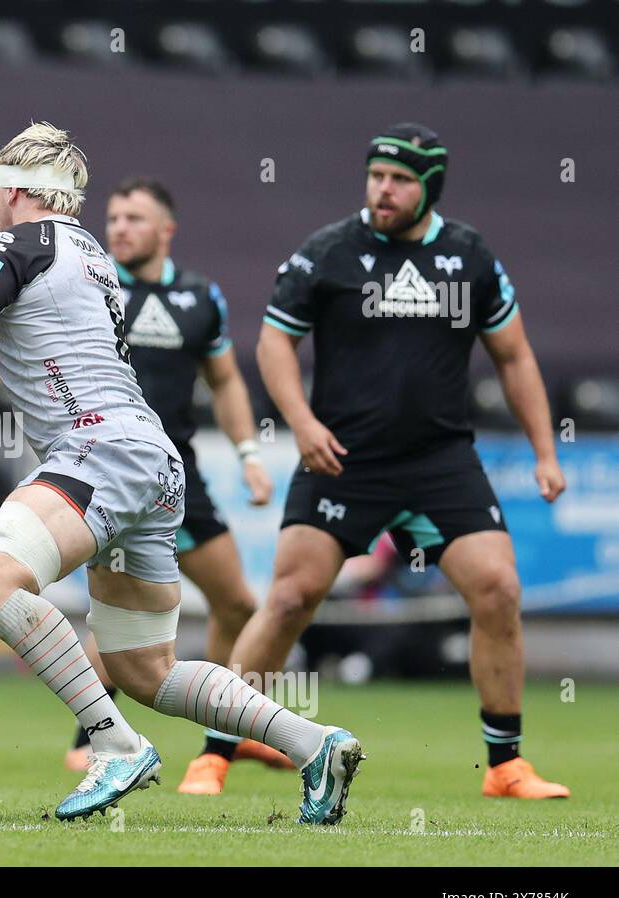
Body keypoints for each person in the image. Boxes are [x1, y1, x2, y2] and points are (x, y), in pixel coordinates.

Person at [0, 122, 364, 824]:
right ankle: (313, 741)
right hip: (150, 459)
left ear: (12, 191)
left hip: (97, 450)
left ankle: (112, 743)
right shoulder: (83, 250)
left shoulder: (17, 242)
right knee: (147, 669)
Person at [232, 122, 568, 799]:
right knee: (292, 597)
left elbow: (515, 356)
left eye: (401, 180)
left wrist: (544, 451)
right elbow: (273, 347)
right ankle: (220, 745)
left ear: (429, 188)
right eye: (376, 176)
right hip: (343, 458)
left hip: (440, 461)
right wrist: (301, 424)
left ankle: (505, 766)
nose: (383, 190)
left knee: (499, 589)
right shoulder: (326, 252)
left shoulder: (470, 257)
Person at [0, 176, 293, 792]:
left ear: (166, 230)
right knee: (139, 650)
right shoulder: (89, 271)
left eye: (135, 217)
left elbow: (227, 382)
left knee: (234, 602)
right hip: (117, 462)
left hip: (137, 462)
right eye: (116, 216)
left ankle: (181, 745)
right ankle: (122, 736)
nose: (121, 227)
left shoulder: (195, 297)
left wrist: (248, 452)